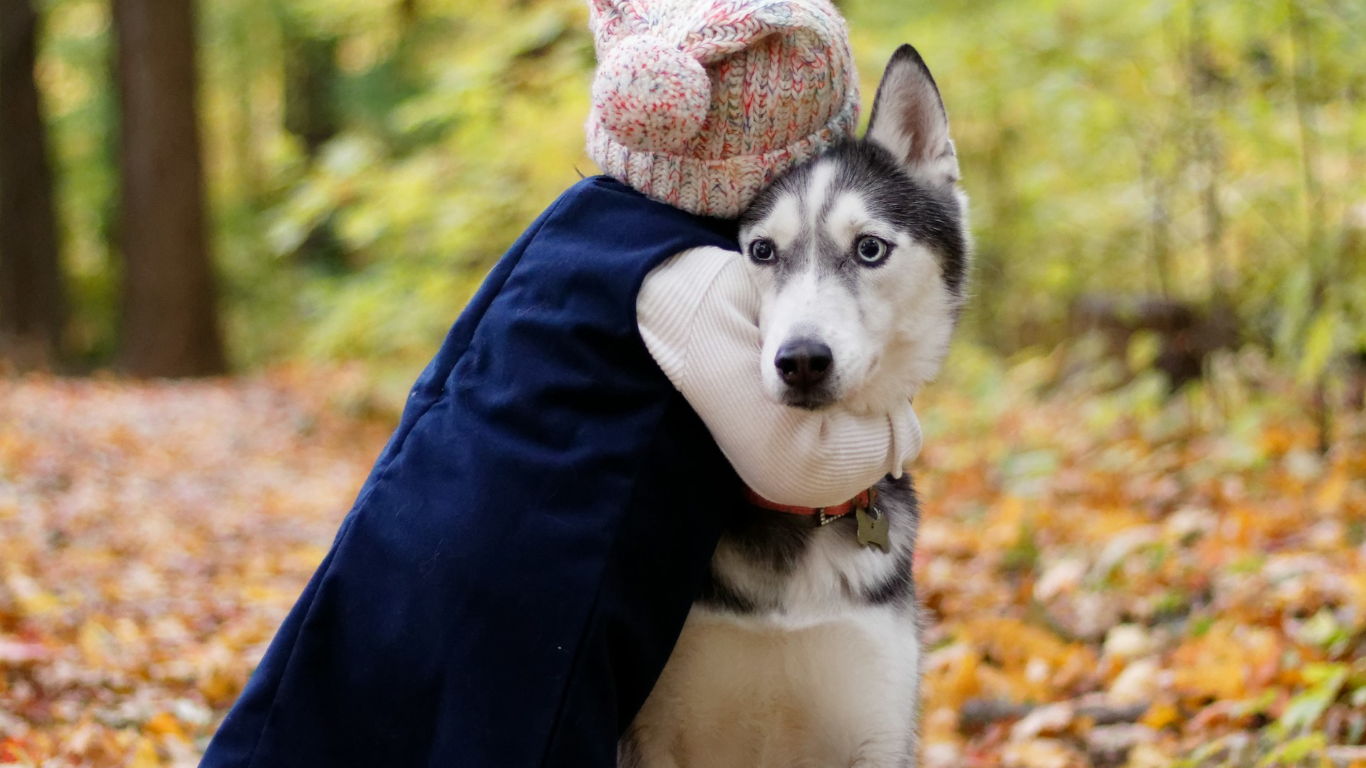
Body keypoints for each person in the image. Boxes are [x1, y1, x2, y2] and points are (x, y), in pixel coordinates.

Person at [197, 1, 921, 766]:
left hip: (416, 529)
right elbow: (795, 464)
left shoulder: (573, 220)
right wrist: (899, 428)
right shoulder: (697, 278)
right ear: (785, 160)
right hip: (540, 577)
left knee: (370, 726)